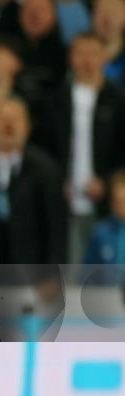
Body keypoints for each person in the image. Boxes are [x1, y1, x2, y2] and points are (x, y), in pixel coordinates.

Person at [46, 32, 125, 264]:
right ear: (71, 57)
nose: (87, 61)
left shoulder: (119, 100)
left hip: (108, 207)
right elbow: (46, 151)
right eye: (81, 53)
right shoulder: (55, 101)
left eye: (93, 53)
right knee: (68, 271)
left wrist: (108, 181)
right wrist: (58, 181)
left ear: (105, 57)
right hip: (63, 203)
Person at [0, 97, 66, 264]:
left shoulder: (46, 171)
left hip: (30, 270)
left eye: (15, 120)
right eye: (3, 119)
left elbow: (56, 228)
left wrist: (52, 272)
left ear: (27, 127)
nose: (9, 126)